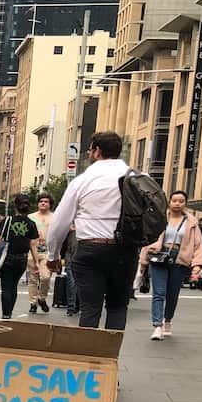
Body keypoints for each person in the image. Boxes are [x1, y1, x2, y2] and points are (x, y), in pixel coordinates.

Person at [46, 131, 133, 329]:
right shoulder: (136, 177)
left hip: (91, 250)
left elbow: (60, 222)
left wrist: (53, 255)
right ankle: (109, 358)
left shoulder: (83, 181)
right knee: (118, 307)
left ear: (97, 151)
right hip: (125, 250)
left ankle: (87, 358)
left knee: (90, 308)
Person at [140, 190, 202, 340]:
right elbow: (148, 238)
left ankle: (167, 320)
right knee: (159, 293)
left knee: (172, 294)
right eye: (174, 200)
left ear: (185, 203)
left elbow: (198, 244)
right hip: (159, 256)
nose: (177, 203)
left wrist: (197, 265)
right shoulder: (161, 218)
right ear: (169, 202)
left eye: (181, 201)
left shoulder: (191, 222)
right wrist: (143, 262)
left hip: (180, 259)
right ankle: (157, 325)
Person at [0, 195, 40, 320]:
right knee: (14, 285)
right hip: (22, 259)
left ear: (15, 207)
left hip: (7, 257)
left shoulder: (7, 220)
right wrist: (37, 263)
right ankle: (10, 312)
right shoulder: (31, 223)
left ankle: (6, 314)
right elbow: (33, 245)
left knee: (6, 286)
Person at [27, 192, 55, 313]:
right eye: (41, 201)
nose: (43, 203)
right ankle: (33, 303)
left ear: (50, 204)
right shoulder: (30, 217)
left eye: (46, 201)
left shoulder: (55, 217)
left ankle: (41, 298)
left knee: (45, 277)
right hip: (32, 251)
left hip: (48, 251)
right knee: (33, 278)